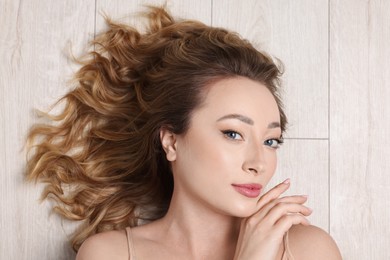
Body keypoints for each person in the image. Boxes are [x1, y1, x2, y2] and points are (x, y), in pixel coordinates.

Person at [26, 5, 342, 260]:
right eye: (233, 134)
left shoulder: (307, 250)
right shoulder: (110, 254)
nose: (258, 162)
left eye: (271, 140)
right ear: (171, 141)